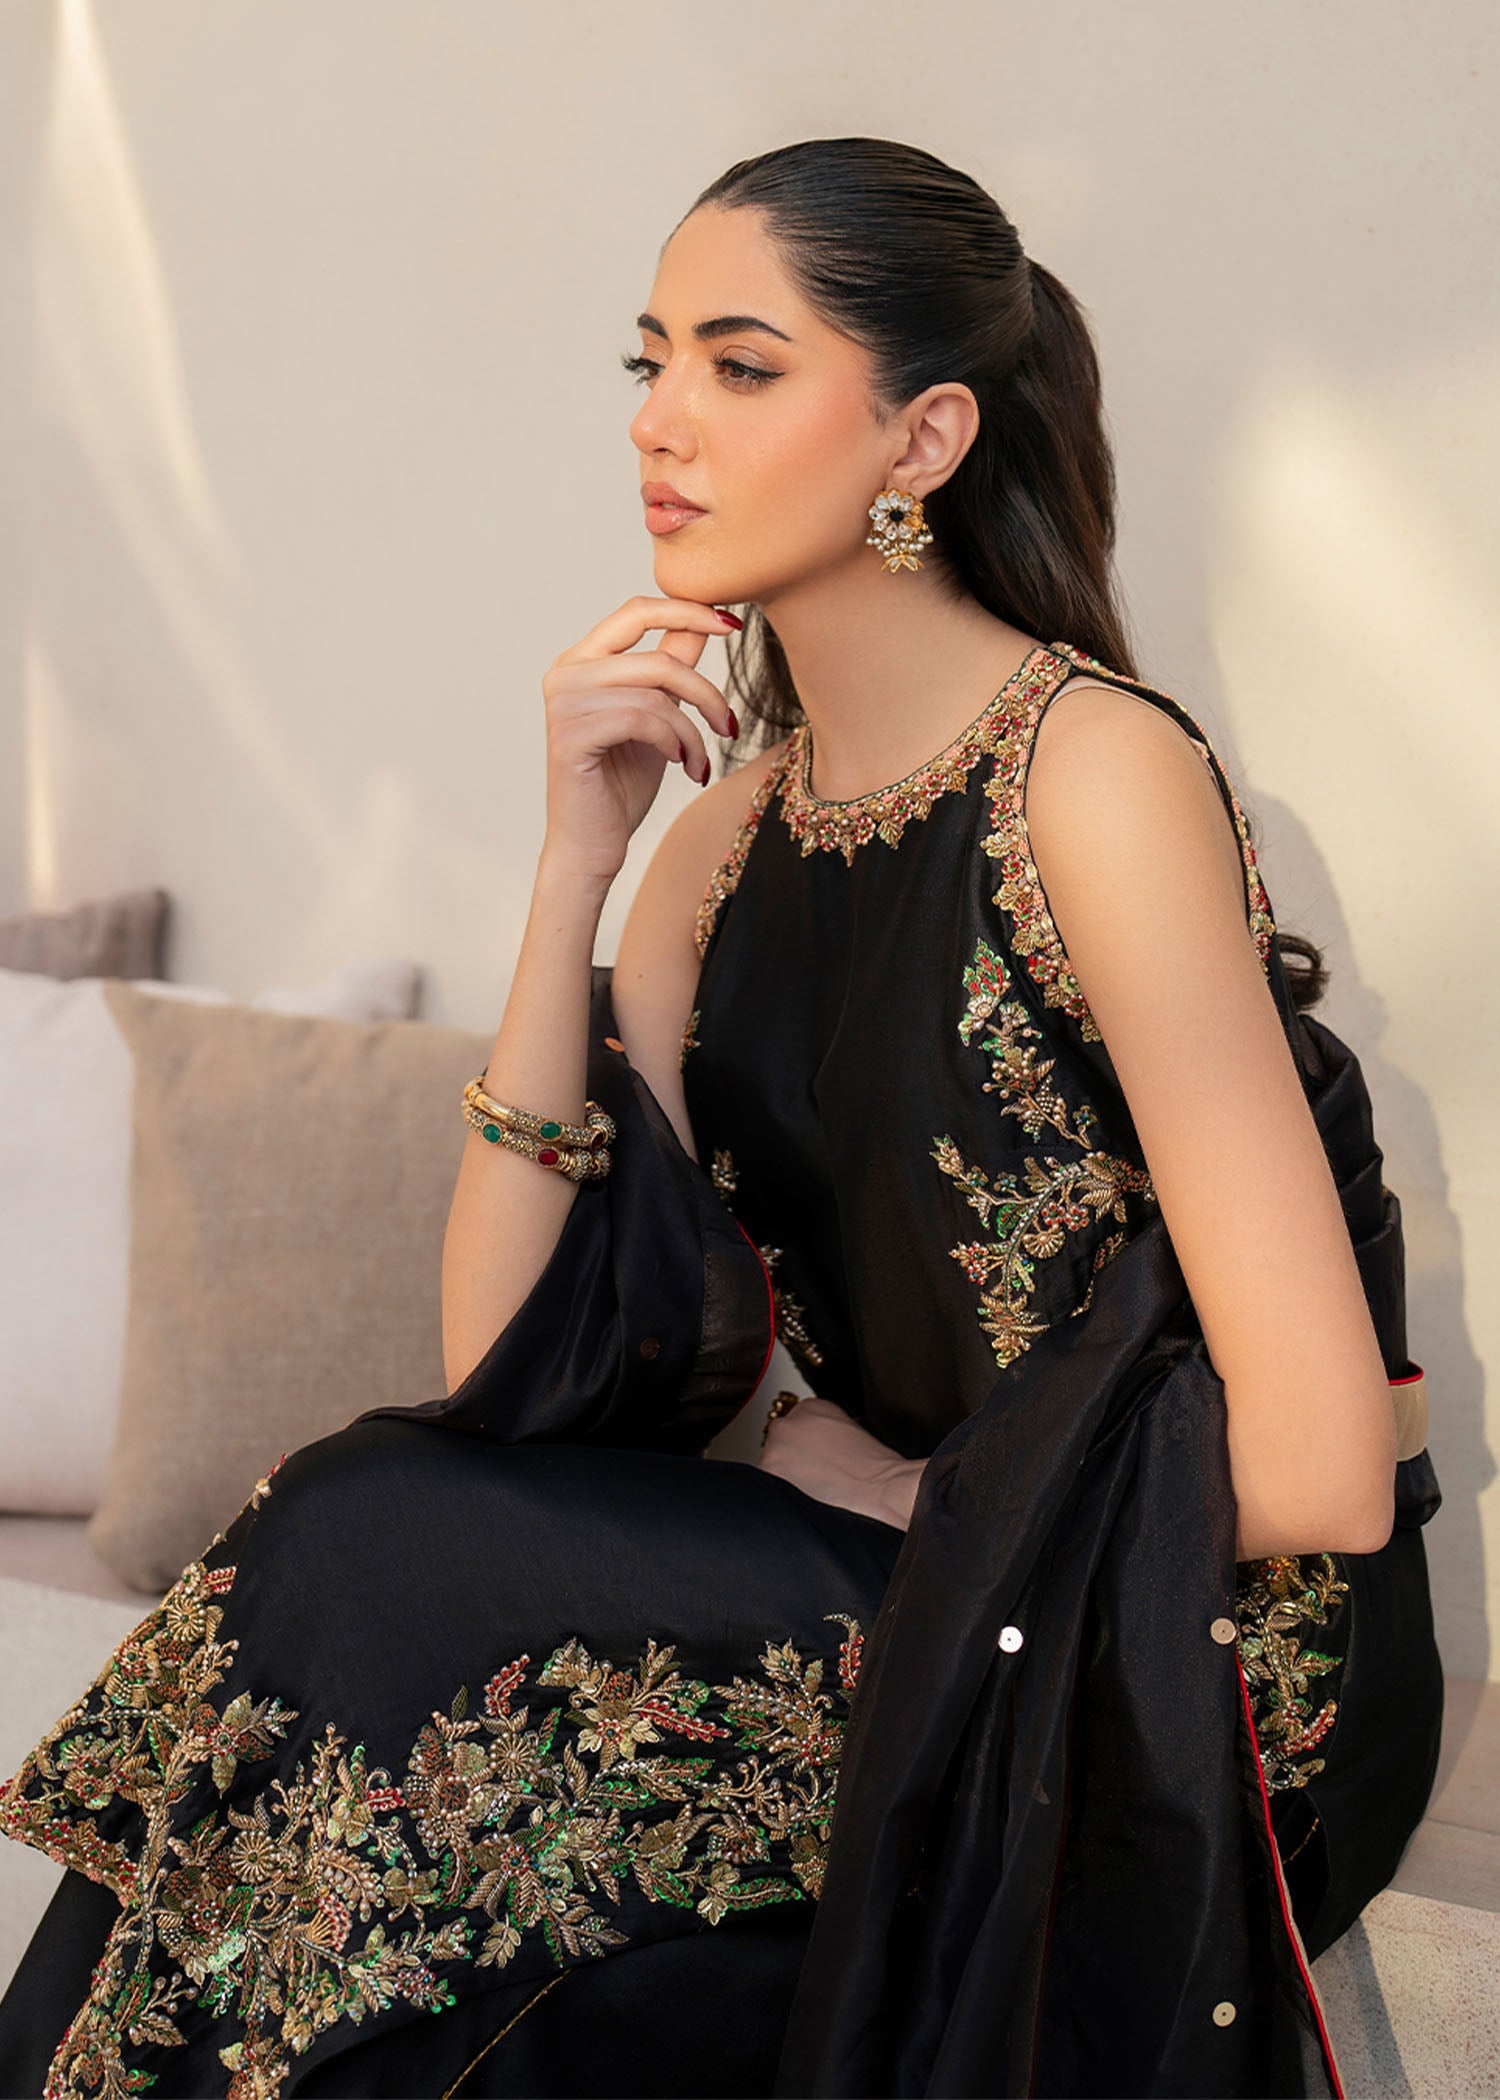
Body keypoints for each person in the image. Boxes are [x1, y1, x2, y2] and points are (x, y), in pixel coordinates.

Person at [0, 137, 1442, 2100]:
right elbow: (500, 1365)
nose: (660, 421)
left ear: (926, 437)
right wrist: (569, 874)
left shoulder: (1092, 778)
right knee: (380, 1571)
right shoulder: (728, 837)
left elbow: (1326, 1476)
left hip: (1176, 1657)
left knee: (373, 1546)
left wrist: (913, 1497)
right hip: (914, 1586)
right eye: (651, 358)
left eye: (741, 366)